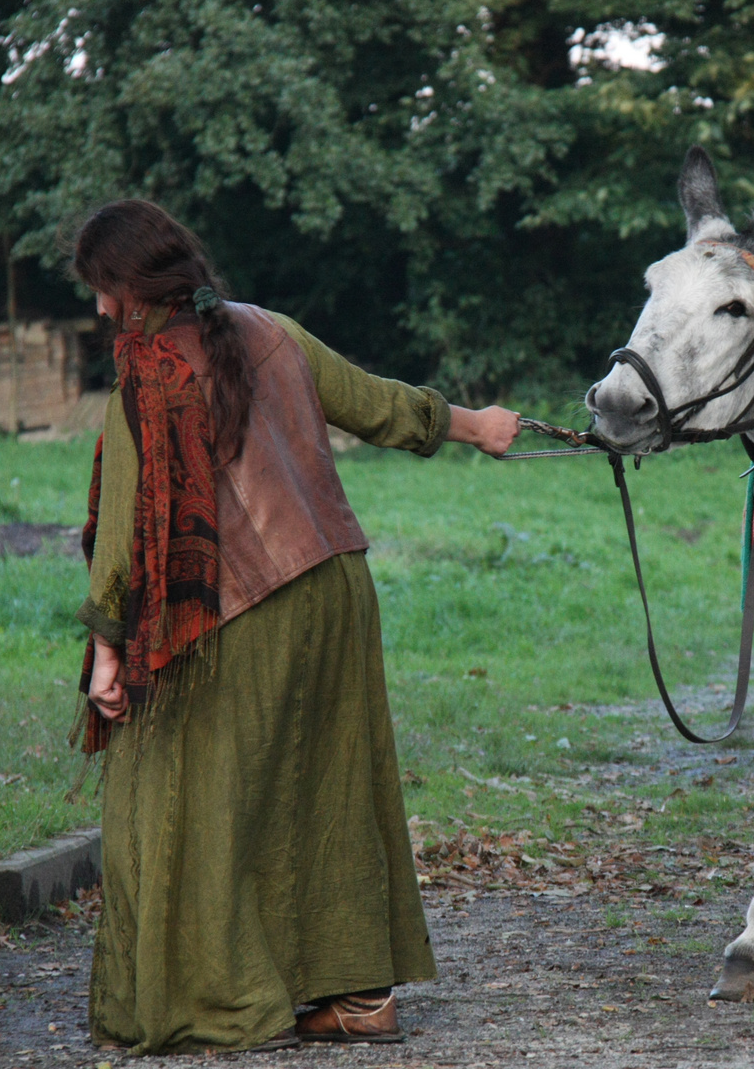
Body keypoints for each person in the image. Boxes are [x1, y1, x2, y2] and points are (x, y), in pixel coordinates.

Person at [69, 199, 519, 1055]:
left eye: (102, 289)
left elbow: (127, 531)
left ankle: (230, 998)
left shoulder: (147, 368)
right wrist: (478, 428)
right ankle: (357, 999)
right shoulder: (270, 327)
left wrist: (105, 653)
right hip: (337, 587)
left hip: (232, 606)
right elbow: (378, 404)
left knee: (185, 800)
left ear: (134, 287)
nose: (98, 309)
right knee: (328, 791)